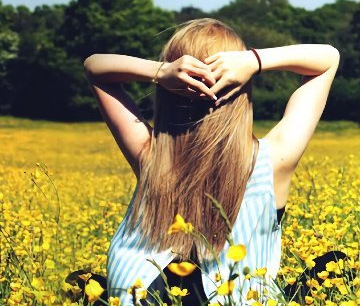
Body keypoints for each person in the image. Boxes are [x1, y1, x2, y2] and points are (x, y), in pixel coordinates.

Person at [82, 18, 341, 305]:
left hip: (140, 293)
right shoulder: (274, 160)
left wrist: (161, 71)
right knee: (333, 266)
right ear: (243, 89)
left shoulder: (150, 155)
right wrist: (253, 60)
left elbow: (95, 67)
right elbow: (328, 58)